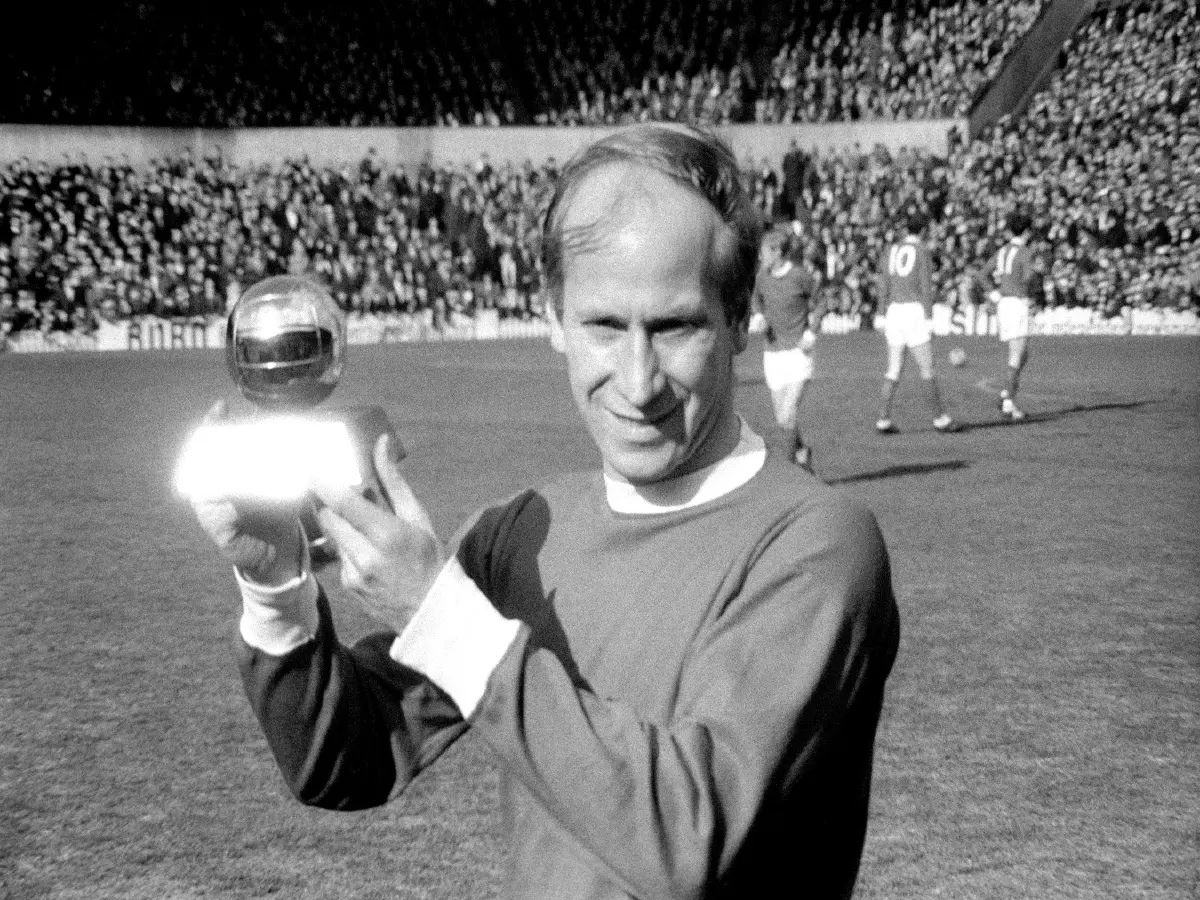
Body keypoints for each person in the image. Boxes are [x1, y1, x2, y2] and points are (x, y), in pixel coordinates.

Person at [189, 124, 901, 899]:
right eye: (603, 325)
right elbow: (343, 761)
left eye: (674, 327)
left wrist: (445, 617)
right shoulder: (525, 532)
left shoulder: (818, 544)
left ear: (737, 320)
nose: (637, 381)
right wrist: (277, 590)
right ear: (554, 318)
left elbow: (691, 838)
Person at [874, 208, 959, 434]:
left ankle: (882, 419)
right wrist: (930, 318)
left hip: (893, 311)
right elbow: (925, 287)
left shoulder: (891, 250)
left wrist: (880, 312)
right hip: (913, 311)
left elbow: (883, 283)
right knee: (927, 367)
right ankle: (940, 418)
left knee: (893, 368)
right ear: (923, 230)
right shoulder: (921, 251)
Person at [752, 226, 820, 471]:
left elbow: (820, 301)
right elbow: (756, 298)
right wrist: (759, 315)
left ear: (777, 252)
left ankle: (788, 472)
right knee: (783, 418)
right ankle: (802, 452)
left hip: (798, 354)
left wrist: (812, 331)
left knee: (787, 414)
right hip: (772, 354)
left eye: (764, 253)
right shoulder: (762, 277)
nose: (761, 258)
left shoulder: (800, 276)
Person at [988, 209, 1038, 420]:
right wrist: (1032, 295)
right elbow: (1029, 278)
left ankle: (1005, 394)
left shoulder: (1002, 251)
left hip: (1003, 304)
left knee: (1022, 353)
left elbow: (982, 274)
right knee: (1017, 355)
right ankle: (1008, 402)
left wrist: (994, 294)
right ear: (1026, 232)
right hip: (1017, 304)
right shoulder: (1025, 252)